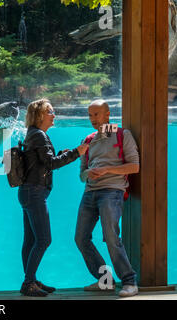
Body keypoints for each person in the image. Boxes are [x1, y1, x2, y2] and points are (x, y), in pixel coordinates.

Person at [19, 98, 88, 297]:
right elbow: (50, 164)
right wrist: (77, 152)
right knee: (43, 240)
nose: (54, 115)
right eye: (50, 111)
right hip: (35, 193)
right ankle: (28, 283)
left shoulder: (33, 134)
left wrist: (60, 154)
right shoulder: (39, 135)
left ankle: (31, 280)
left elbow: (42, 162)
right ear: (40, 115)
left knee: (31, 241)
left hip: (27, 192)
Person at [75, 99, 140, 297]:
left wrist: (107, 170)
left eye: (96, 114)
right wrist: (90, 173)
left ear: (107, 114)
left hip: (112, 191)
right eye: (90, 115)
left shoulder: (122, 134)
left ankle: (129, 281)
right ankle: (106, 281)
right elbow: (82, 174)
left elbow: (134, 167)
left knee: (111, 237)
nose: (93, 119)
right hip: (89, 193)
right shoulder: (88, 139)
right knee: (80, 238)